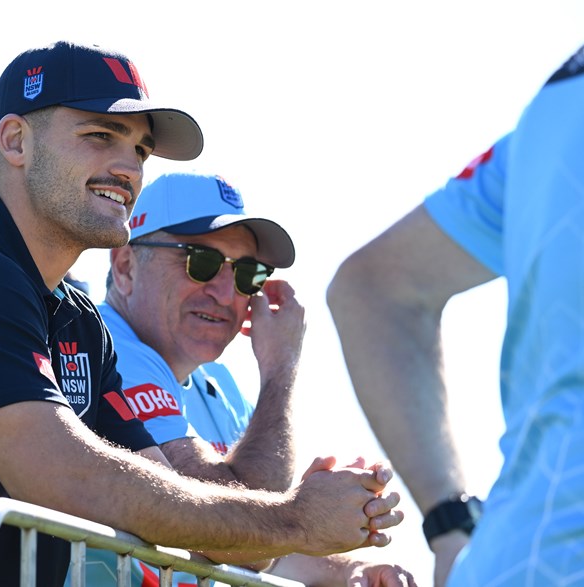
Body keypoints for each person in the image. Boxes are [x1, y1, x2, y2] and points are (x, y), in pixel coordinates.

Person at [0, 40, 403, 587]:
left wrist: (309, 526)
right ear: (15, 140)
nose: (129, 168)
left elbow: (184, 515)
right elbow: (65, 477)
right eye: (100, 136)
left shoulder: (76, 316)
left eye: (140, 148)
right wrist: (294, 517)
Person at [75, 172, 415, 587]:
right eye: (200, 261)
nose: (225, 293)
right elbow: (232, 537)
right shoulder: (104, 343)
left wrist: (353, 572)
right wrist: (281, 367)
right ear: (125, 265)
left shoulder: (217, 383)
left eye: (247, 273)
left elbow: (258, 535)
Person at [326, 44, 584, 587]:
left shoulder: (555, 106)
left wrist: (450, 523)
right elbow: (370, 288)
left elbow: (371, 287)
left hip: (513, 561)